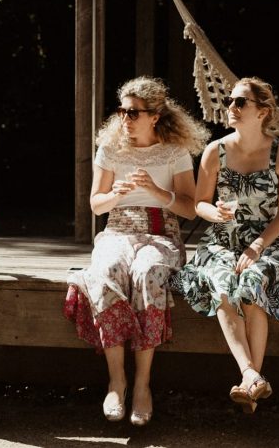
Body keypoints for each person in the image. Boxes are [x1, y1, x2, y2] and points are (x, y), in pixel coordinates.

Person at [64, 76, 209, 426]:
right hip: (117, 228)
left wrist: (156, 192)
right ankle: (117, 380)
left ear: (155, 115)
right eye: (122, 111)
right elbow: (97, 205)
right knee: (108, 270)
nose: (125, 119)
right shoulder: (111, 148)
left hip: (161, 231)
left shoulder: (174, 152)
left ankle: (143, 384)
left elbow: (190, 209)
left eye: (134, 113)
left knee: (147, 272)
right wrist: (119, 193)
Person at [170, 77, 279, 414]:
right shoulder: (215, 151)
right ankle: (251, 376)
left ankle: (248, 386)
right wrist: (215, 212)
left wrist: (257, 245)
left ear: (263, 111)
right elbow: (199, 203)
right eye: (230, 101)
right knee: (224, 285)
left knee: (252, 283)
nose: (232, 108)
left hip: (269, 241)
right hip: (221, 240)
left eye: (241, 102)